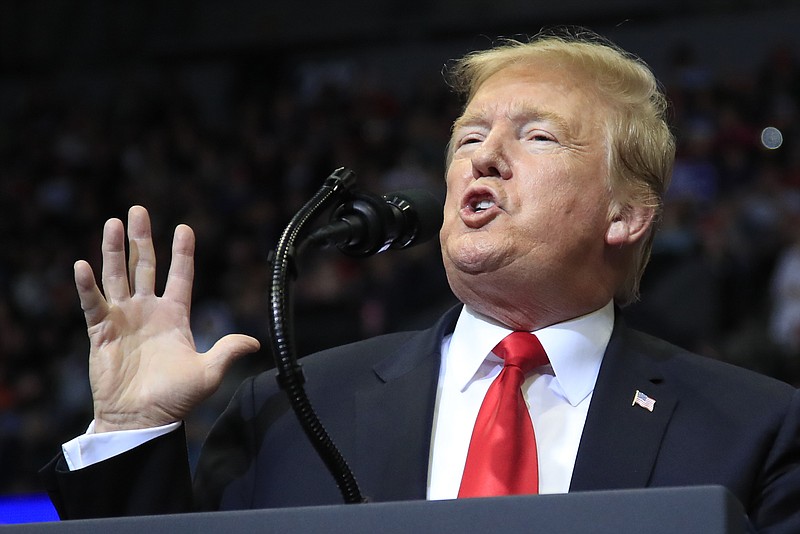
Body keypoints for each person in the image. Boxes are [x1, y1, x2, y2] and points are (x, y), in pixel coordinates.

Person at [41, 30, 800, 532]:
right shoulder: (290, 412)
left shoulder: (754, 431)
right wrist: (129, 431)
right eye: (469, 136)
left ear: (627, 215)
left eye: (535, 135)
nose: (484, 155)